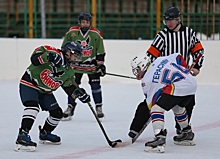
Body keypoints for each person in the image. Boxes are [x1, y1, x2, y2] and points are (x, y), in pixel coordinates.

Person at [128, 6, 204, 142]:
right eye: (167, 20)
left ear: (179, 19)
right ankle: (134, 130)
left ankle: (182, 130)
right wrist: (143, 71)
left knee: (188, 103)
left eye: (172, 20)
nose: (169, 23)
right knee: (148, 103)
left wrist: (196, 67)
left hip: (181, 77)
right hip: (163, 79)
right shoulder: (162, 36)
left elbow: (199, 51)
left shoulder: (188, 33)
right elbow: (150, 56)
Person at [15, 41, 91, 152]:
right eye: (76, 55)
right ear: (68, 52)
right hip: (30, 84)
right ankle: (22, 135)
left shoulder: (69, 71)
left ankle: (45, 133)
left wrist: (79, 93)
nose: (77, 58)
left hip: (45, 92)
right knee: (33, 107)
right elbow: (34, 59)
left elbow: (69, 87)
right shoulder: (51, 51)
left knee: (57, 113)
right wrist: (48, 56)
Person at [131, 53, 197, 152]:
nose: (137, 73)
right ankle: (186, 132)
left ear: (143, 65)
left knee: (156, 109)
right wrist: (184, 71)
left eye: (137, 70)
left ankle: (159, 137)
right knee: (177, 107)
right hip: (191, 83)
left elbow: (151, 102)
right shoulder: (160, 59)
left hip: (178, 86)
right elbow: (178, 57)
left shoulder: (147, 80)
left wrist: (153, 110)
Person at [61, 12, 106, 120]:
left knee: (95, 86)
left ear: (90, 23)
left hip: (91, 65)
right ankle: (70, 107)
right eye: (83, 22)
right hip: (75, 65)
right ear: (79, 23)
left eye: (87, 22)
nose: (85, 24)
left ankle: (99, 107)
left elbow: (100, 51)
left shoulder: (95, 34)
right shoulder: (72, 32)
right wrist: (67, 60)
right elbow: (64, 48)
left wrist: (100, 65)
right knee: (73, 86)